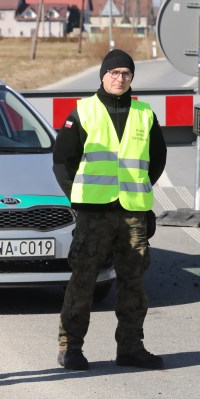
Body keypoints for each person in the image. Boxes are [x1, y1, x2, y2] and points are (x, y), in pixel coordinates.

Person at [52, 49, 167, 371]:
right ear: (102, 75)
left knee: (133, 283)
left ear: (132, 78)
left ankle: (131, 347)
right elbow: (63, 160)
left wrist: (139, 192)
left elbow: (156, 160)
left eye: (126, 74)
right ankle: (71, 347)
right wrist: (77, 198)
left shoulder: (144, 114)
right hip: (93, 213)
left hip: (132, 213)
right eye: (114, 73)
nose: (120, 79)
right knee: (83, 281)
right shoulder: (83, 111)